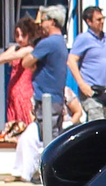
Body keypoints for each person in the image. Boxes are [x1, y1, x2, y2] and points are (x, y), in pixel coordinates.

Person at [29, 7, 74, 142]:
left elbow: (26, 62)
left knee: (49, 139)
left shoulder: (48, 43)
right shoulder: (60, 41)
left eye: (43, 21)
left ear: (52, 22)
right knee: (55, 135)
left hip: (47, 100)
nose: (41, 24)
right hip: (56, 98)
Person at [73, 3, 106, 121]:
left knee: (105, 125)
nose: (102, 22)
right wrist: (82, 84)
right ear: (89, 22)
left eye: (103, 19)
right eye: (98, 20)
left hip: (105, 89)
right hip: (91, 90)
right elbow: (71, 61)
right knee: (98, 123)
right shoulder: (83, 39)